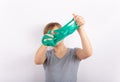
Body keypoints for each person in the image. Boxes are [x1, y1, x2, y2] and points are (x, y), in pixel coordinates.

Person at [34, 14, 93, 82]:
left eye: (56, 33)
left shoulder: (74, 52)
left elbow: (88, 53)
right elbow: (37, 61)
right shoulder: (47, 54)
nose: (54, 36)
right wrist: (45, 43)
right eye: (50, 35)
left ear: (63, 33)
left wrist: (80, 29)